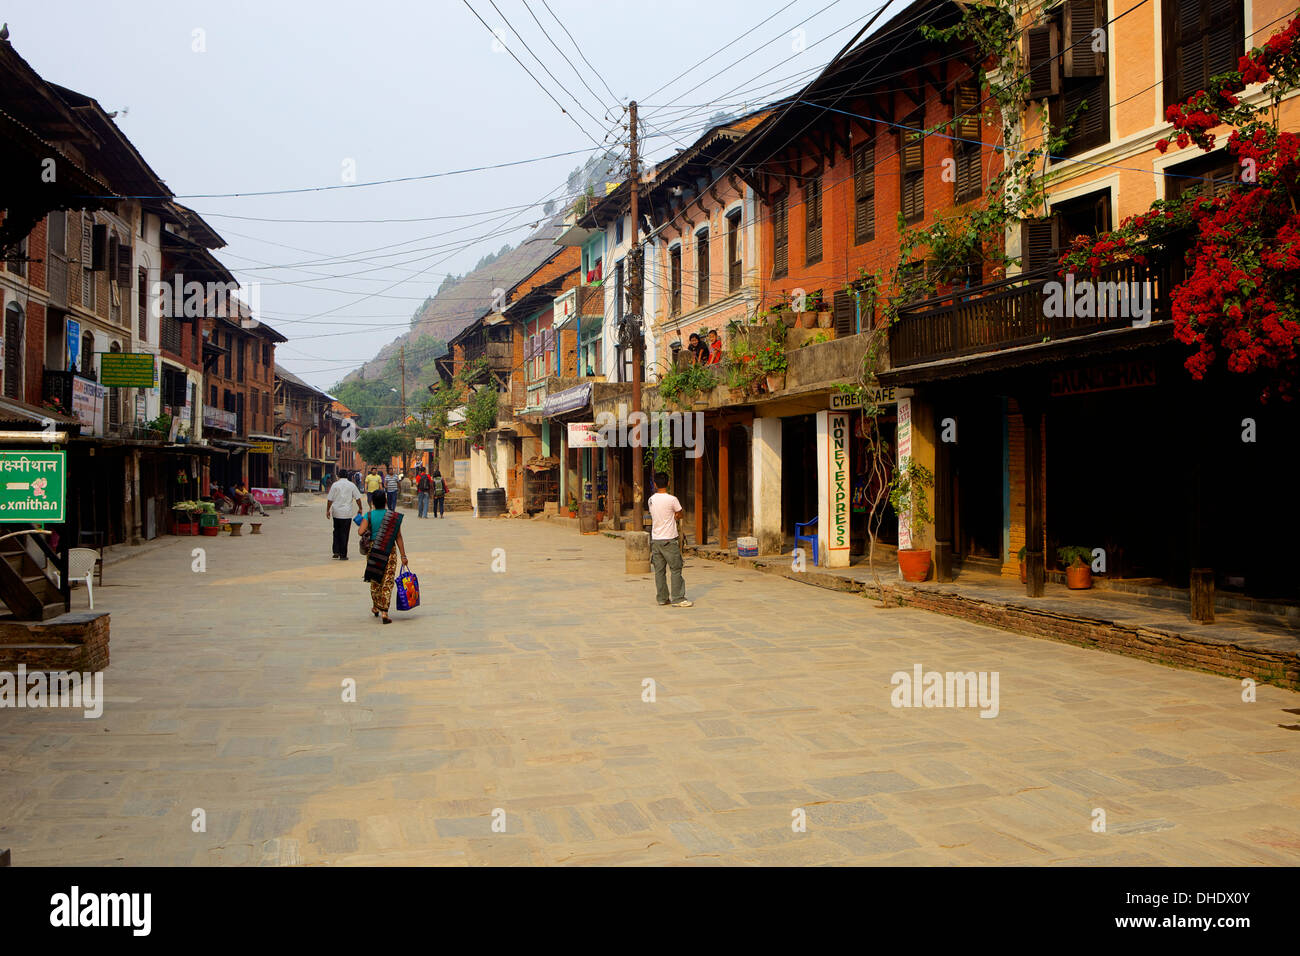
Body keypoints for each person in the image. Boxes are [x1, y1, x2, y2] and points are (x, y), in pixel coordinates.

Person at [362, 488, 408, 624]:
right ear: (386, 501)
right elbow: (398, 536)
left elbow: (360, 531)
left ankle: (376, 606)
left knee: (375, 579)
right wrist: (403, 556)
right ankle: (384, 612)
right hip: (389, 551)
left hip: (373, 551)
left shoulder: (368, 516)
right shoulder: (392, 517)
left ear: (373, 502)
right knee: (388, 580)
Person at [648, 471, 691, 607]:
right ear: (668, 483)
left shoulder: (651, 500)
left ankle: (662, 598)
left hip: (656, 539)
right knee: (676, 568)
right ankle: (678, 598)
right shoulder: (672, 499)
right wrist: (675, 516)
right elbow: (679, 514)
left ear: (655, 484)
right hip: (669, 539)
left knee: (659, 571)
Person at [325, 467, 362, 561]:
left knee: (336, 531)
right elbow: (358, 498)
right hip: (347, 513)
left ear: (338, 475)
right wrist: (360, 508)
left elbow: (330, 499)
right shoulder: (352, 485)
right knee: (345, 533)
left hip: (336, 512)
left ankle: (336, 551)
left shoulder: (335, 485)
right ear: (347, 475)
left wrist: (328, 510)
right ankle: (343, 554)